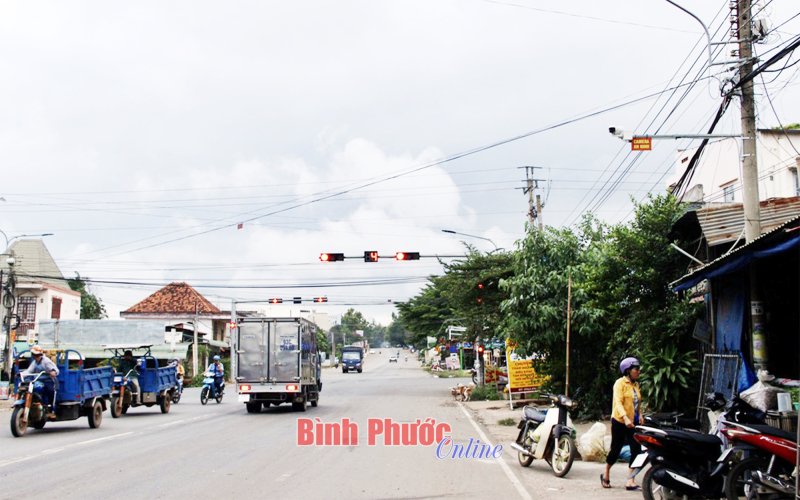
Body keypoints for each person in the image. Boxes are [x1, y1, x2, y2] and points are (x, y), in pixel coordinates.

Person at [601, 356, 643, 491]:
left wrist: (640, 415)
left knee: (636, 449)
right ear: (628, 370)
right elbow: (618, 402)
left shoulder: (636, 385)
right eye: (636, 369)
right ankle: (606, 473)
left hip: (633, 422)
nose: (638, 371)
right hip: (619, 421)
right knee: (616, 449)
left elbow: (637, 403)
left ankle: (630, 480)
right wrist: (625, 417)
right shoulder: (619, 383)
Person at [22, 346, 59, 414]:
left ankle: (50, 409)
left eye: (37, 355)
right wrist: (21, 374)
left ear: (41, 354)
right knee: (32, 388)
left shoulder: (46, 361)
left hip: (48, 380)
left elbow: (55, 370)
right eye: (34, 355)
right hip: (38, 380)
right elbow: (29, 371)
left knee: (50, 391)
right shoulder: (34, 362)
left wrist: (53, 372)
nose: (36, 356)